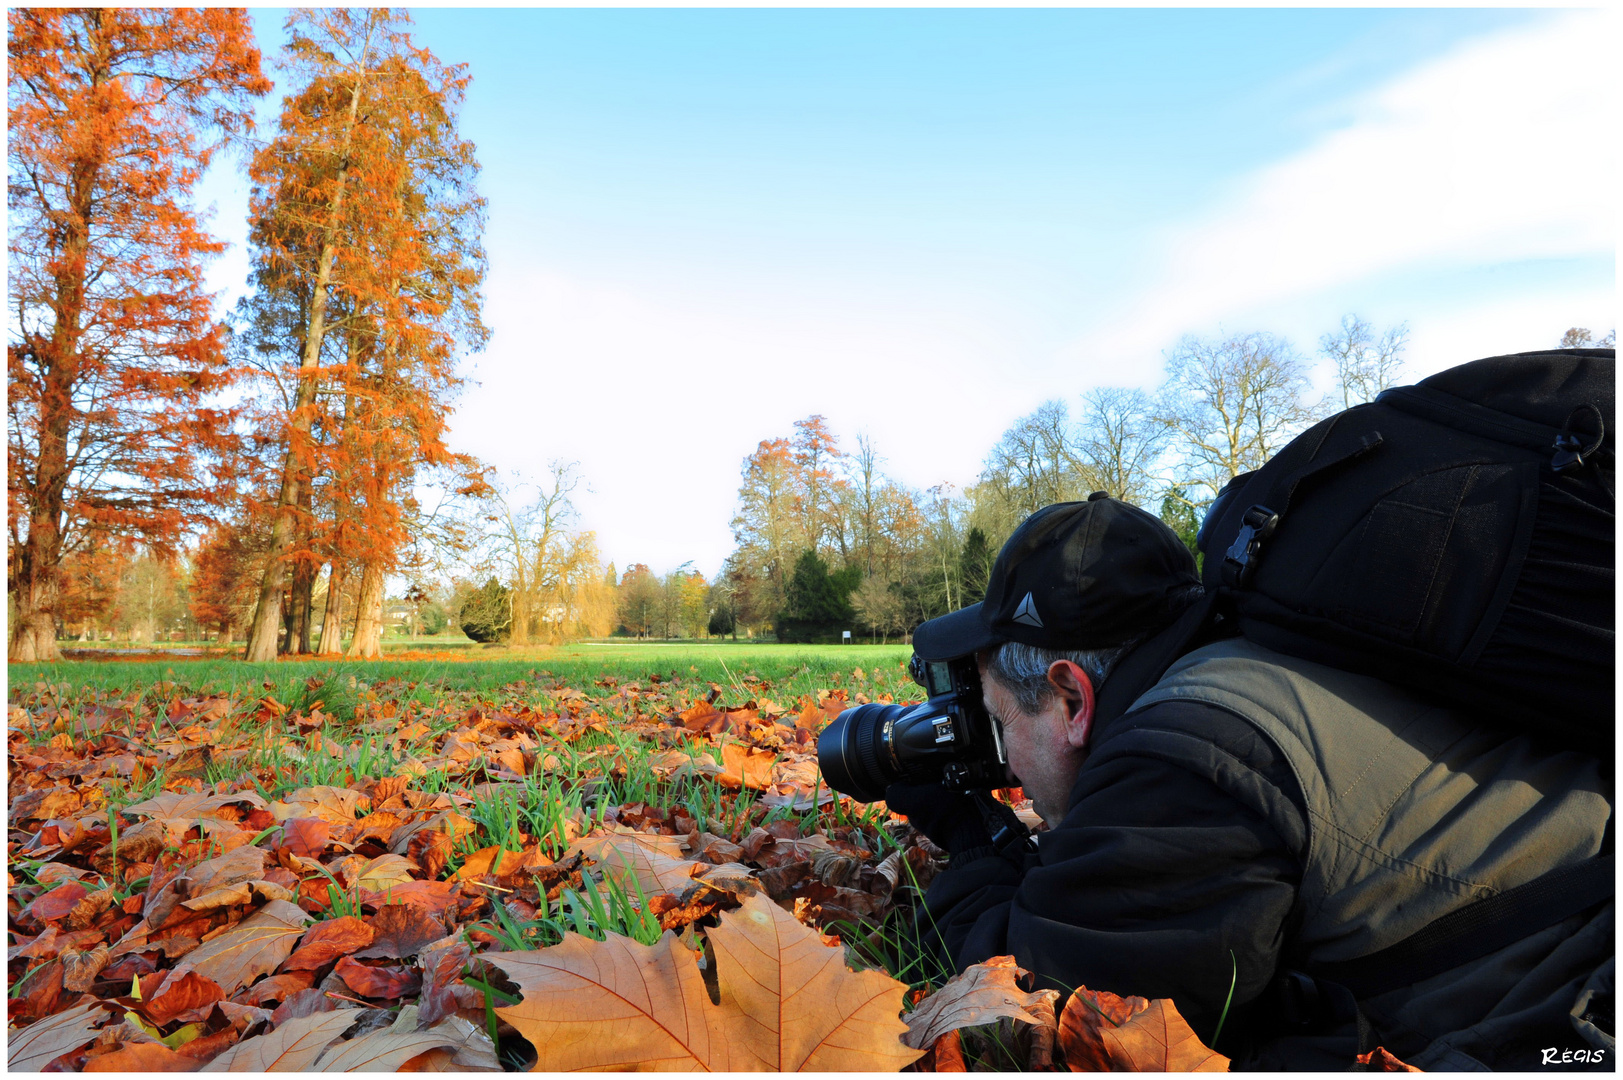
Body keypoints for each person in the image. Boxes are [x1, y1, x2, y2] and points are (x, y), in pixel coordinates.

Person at [886, 493, 1612, 1070]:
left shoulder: (1180, 760)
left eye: (999, 721)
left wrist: (968, 836)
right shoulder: (1247, 668)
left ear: (1071, 698)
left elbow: (1041, 1004)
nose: (1004, 762)